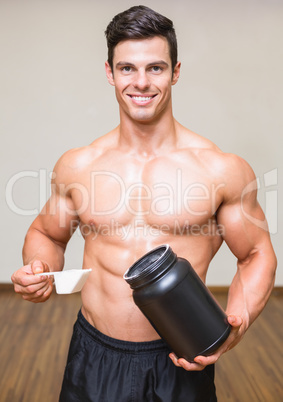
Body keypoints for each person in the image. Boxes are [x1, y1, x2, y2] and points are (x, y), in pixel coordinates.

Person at [11, 5, 277, 402]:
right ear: (109, 72)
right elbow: (46, 234)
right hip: (94, 353)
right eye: (127, 69)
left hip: (182, 354)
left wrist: (234, 328)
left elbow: (257, 253)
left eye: (155, 68)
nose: (141, 83)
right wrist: (40, 269)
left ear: (176, 71)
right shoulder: (79, 165)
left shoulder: (221, 169)